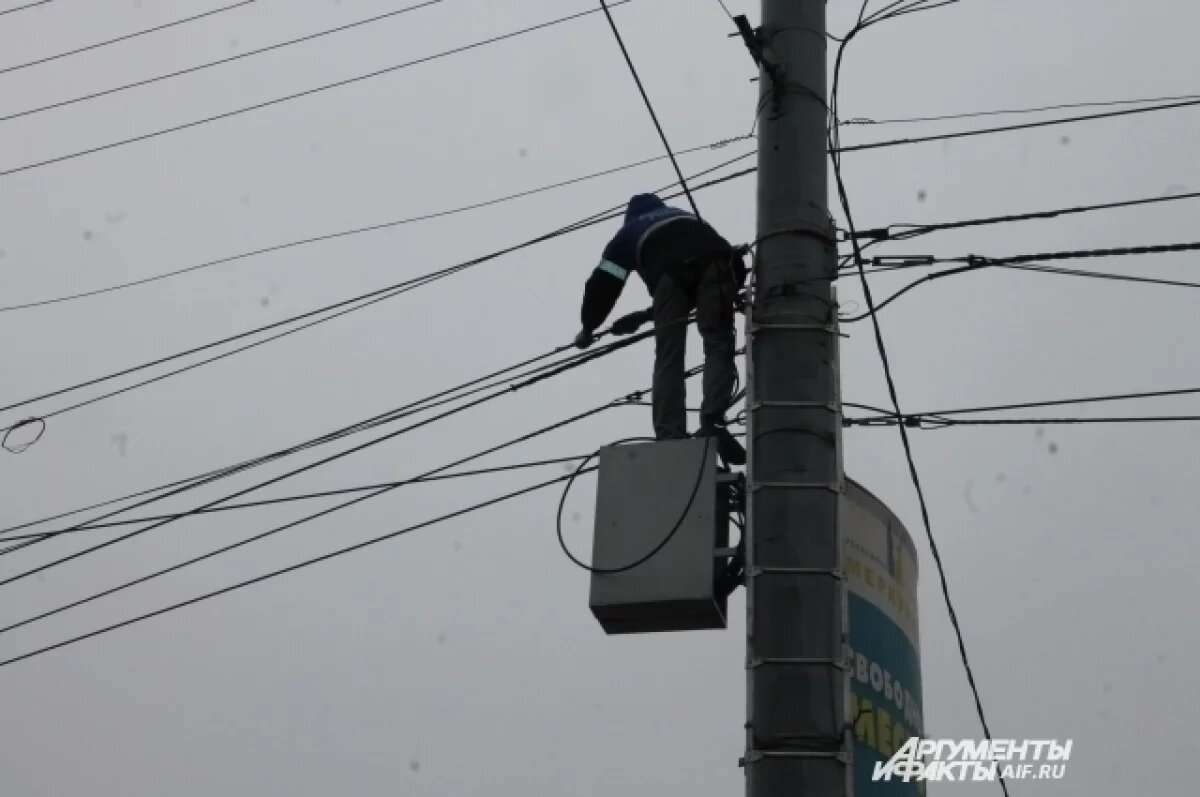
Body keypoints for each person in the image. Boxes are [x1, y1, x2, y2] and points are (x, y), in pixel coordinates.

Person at [574, 193, 746, 466]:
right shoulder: (684, 215)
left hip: (668, 276)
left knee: (669, 357)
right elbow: (731, 259)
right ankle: (713, 420)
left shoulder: (627, 234)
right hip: (716, 263)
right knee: (718, 342)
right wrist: (645, 316)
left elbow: (604, 283)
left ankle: (671, 437)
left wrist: (588, 327)